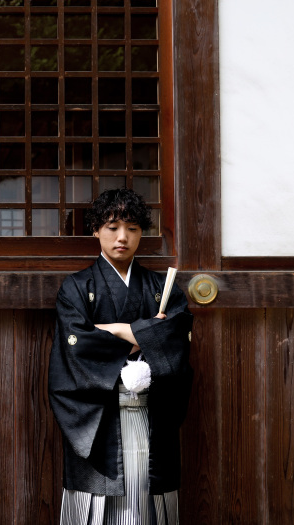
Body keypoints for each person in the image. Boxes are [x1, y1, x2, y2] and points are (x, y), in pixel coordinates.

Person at [48, 188, 193, 525]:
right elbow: (77, 346)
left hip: (151, 413)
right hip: (99, 416)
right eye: (112, 228)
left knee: (148, 500)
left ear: (142, 232)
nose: (123, 237)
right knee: (97, 505)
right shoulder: (76, 287)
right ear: (96, 230)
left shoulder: (162, 287)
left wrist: (110, 329)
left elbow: (174, 339)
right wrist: (144, 333)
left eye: (132, 228)